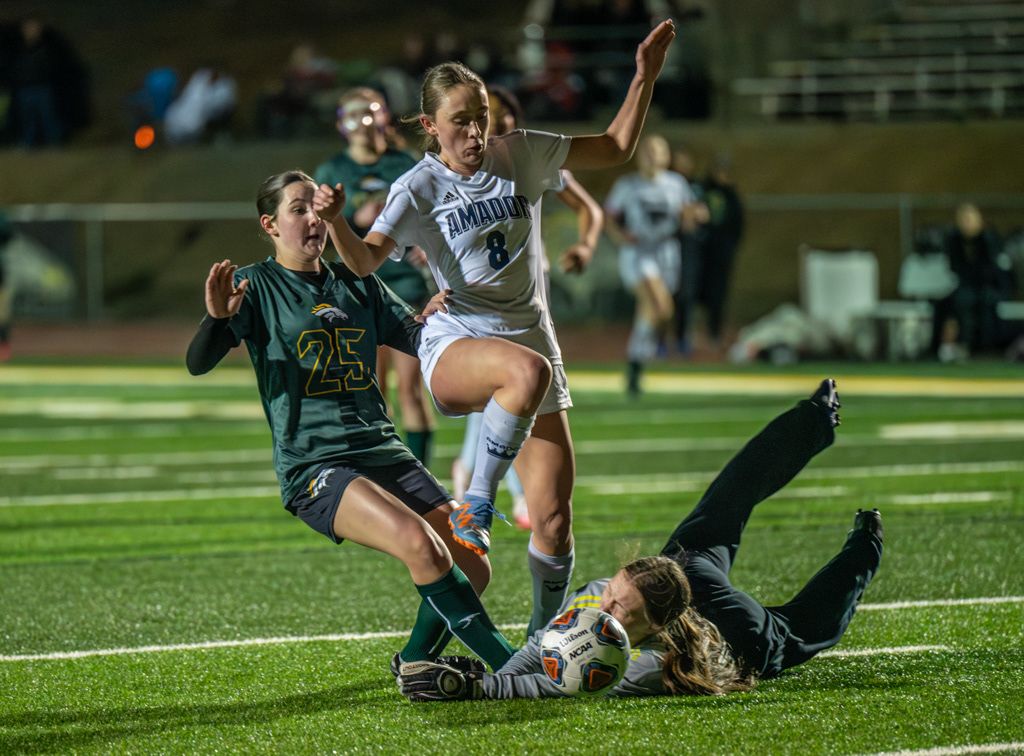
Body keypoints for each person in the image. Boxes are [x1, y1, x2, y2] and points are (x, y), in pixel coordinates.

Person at [314, 20, 677, 639]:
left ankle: (542, 639)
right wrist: (338, 223)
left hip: (531, 341)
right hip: (457, 340)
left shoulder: (523, 152)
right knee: (522, 371)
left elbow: (615, 148)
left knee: (555, 521)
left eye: (480, 116)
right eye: (459, 120)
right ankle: (475, 505)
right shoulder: (418, 186)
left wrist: (644, 76)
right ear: (429, 127)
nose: (475, 130)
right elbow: (364, 261)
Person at [185, 170, 516, 672]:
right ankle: (516, 667)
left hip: (381, 448)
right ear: (270, 224)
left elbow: (417, 340)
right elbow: (198, 362)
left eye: (317, 208)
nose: (314, 219)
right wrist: (217, 319)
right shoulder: (257, 285)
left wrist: (440, 325)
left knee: (469, 556)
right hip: (316, 462)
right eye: (298, 209)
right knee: (417, 544)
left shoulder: (358, 281)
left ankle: (413, 663)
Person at [396, 379, 885, 699]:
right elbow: (546, 646)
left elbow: (562, 688)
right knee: (727, 498)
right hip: (686, 569)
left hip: (738, 629)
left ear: (657, 625)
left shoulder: (656, 663)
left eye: (617, 610)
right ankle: (816, 416)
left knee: (805, 626)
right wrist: (494, 678)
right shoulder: (604, 595)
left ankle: (866, 544)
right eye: (612, 596)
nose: (601, 609)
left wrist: (484, 690)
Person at [450, 83, 605, 532]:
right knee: (505, 387)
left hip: (527, 291)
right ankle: (510, 490)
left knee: (516, 387)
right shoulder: (460, 165)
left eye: (496, 116)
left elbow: (588, 208)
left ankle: (469, 468)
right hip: (479, 298)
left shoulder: (527, 157)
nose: (489, 124)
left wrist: (587, 245)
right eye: (481, 116)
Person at [314, 87, 437, 465]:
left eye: (370, 113)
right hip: (361, 290)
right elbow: (319, 234)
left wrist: (422, 242)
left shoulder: (405, 162)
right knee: (373, 389)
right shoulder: (332, 172)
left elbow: (433, 216)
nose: (362, 122)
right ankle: (388, 474)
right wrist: (351, 220)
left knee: (411, 390)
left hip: (407, 288)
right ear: (341, 124)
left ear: (383, 117)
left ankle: (420, 480)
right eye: (353, 114)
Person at [603, 132, 700, 396]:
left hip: (667, 253)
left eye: (658, 151)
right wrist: (619, 236)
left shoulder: (676, 183)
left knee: (656, 312)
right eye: (647, 151)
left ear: (667, 157)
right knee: (660, 305)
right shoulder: (628, 185)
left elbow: (689, 212)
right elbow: (609, 216)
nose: (652, 156)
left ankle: (635, 362)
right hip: (639, 253)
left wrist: (695, 215)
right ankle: (636, 360)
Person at [929, 202, 1013, 362]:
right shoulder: (955, 240)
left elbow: (995, 271)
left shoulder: (989, 239)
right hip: (965, 287)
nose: (966, 223)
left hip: (989, 288)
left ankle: (973, 346)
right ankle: (947, 347)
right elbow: (955, 268)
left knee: (970, 301)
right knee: (947, 304)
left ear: (979, 220)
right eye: (962, 219)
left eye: (969, 219)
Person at [694, 153, 744, 350]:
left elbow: (738, 224)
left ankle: (714, 333)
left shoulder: (731, 195)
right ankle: (692, 333)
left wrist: (730, 247)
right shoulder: (703, 190)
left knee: (718, 295)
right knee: (695, 291)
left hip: (721, 254)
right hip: (702, 251)